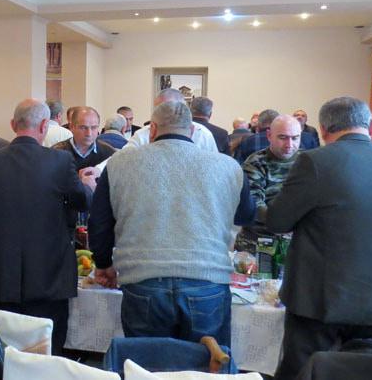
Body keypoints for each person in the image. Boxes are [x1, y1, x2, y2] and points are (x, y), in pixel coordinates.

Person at [266, 97, 372, 380]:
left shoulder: (314, 161)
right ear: (370, 127)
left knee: (303, 374)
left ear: (323, 130)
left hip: (321, 297)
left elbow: (278, 221)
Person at [88, 101, 252, 344]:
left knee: (146, 362)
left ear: (152, 129)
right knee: (207, 360)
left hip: (143, 279)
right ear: (193, 130)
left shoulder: (120, 163)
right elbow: (245, 215)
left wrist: (103, 263)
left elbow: (99, 222)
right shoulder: (228, 166)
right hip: (207, 279)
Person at [0, 99, 96, 355]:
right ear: (44, 126)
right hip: (50, 276)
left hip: (2, 276)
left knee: (7, 352)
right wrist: (88, 187)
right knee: (48, 351)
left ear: (13, 124)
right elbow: (82, 202)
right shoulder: (60, 161)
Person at [235, 115, 302, 252]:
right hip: (259, 241)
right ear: (269, 135)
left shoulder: (307, 162)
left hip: (297, 242)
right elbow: (254, 204)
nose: (289, 145)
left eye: (295, 138)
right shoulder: (255, 163)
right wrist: (284, 224)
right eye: (283, 137)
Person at [52, 107, 116, 170]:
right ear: (71, 127)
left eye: (93, 128)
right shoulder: (56, 153)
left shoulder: (109, 153)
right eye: (83, 128)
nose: (89, 134)